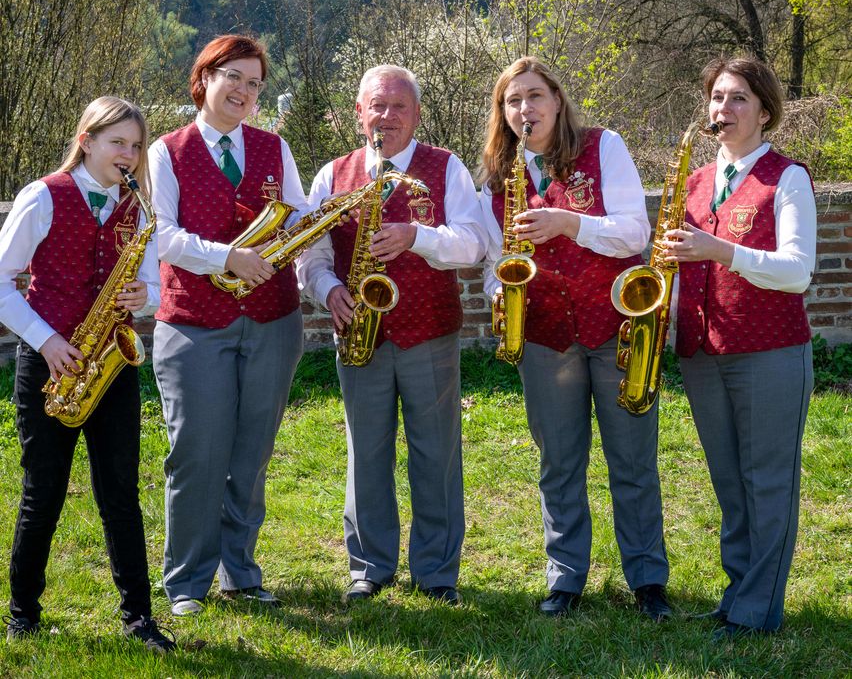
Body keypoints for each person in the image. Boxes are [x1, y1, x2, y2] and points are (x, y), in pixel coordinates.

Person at [479, 57, 671, 620]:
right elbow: (495, 260)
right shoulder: (496, 174)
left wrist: (570, 223)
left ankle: (648, 578)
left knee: (632, 458)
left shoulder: (602, 145)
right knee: (558, 461)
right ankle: (565, 576)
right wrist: (497, 289)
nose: (524, 110)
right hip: (543, 333)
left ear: (558, 100)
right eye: (512, 102)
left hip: (617, 326)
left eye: (535, 97)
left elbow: (636, 231)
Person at [297, 65, 486, 606]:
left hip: (429, 331)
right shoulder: (332, 175)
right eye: (377, 107)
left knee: (436, 453)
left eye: (399, 107)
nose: (388, 117)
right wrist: (329, 289)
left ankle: (437, 570)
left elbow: (472, 244)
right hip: (360, 331)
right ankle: (369, 566)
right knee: (366, 452)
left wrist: (415, 236)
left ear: (417, 114)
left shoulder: (445, 167)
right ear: (359, 114)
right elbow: (311, 254)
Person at [0, 97, 174, 653]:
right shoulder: (43, 196)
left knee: (121, 491)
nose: (127, 154)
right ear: (87, 140)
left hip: (112, 362)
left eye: (135, 146)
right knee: (43, 490)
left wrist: (142, 295)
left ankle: (139, 618)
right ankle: (23, 613)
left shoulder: (137, 209)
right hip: (50, 359)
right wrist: (47, 341)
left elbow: (149, 288)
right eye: (117, 142)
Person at [149, 34, 308, 616]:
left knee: (250, 453)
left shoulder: (275, 147)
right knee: (196, 452)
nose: (244, 91)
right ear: (204, 79)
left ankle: (239, 572)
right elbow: (160, 235)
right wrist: (227, 257)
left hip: (272, 319)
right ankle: (186, 581)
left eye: (254, 83)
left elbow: (300, 217)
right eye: (233, 77)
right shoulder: (166, 150)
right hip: (195, 323)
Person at [663, 57, 816, 640]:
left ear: (764, 110)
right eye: (717, 99)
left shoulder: (787, 177)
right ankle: (737, 594)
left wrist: (719, 251)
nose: (722, 110)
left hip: (770, 350)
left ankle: (758, 610)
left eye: (737, 100)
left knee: (767, 480)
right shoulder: (696, 182)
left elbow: (798, 271)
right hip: (704, 353)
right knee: (729, 480)